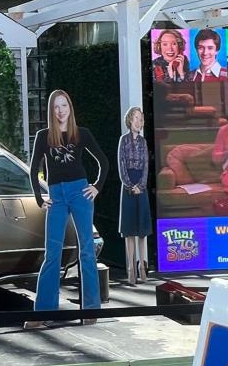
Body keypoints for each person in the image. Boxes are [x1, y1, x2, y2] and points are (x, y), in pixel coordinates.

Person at [25, 90, 108, 328]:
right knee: (52, 253)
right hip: (56, 196)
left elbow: (103, 162)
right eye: (56, 107)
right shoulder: (43, 136)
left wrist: (96, 188)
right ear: (51, 111)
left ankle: (91, 310)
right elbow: (33, 170)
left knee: (87, 251)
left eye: (64, 106)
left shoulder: (82, 134)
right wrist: (40, 198)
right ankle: (42, 313)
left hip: (80, 192)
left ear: (70, 108)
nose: (61, 110)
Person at [117, 107, 151, 285]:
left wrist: (141, 186)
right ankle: (130, 269)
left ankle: (142, 267)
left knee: (142, 231)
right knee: (129, 231)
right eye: (136, 118)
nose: (138, 122)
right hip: (128, 186)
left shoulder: (144, 142)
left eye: (141, 119)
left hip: (141, 185)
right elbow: (121, 166)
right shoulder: (123, 141)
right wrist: (131, 186)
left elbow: (146, 166)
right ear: (130, 120)